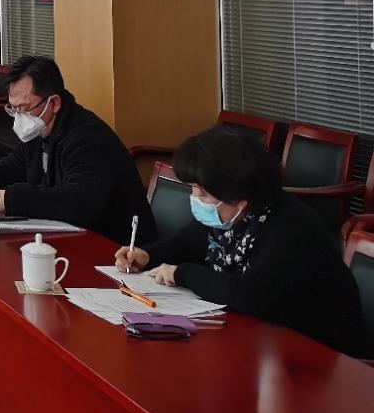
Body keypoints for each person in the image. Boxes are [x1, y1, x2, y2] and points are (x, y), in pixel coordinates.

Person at [114, 126, 373, 359]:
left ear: (239, 195)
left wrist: (181, 274)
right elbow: (186, 243)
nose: (194, 198)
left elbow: (252, 296)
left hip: (322, 359)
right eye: (193, 188)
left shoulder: (292, 228)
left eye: (202, 193)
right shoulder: (233, 218)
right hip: (264, 345)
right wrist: (146, 255)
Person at [0, 56, 154, 243]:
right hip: (68, 236)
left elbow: (78, 203)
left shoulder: (89, 139)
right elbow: (14, 166)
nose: (19, 117)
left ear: (54, 103)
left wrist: (9, 200)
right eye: (13, 109)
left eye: (25, 108)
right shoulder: (41, 129)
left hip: (116, 248)